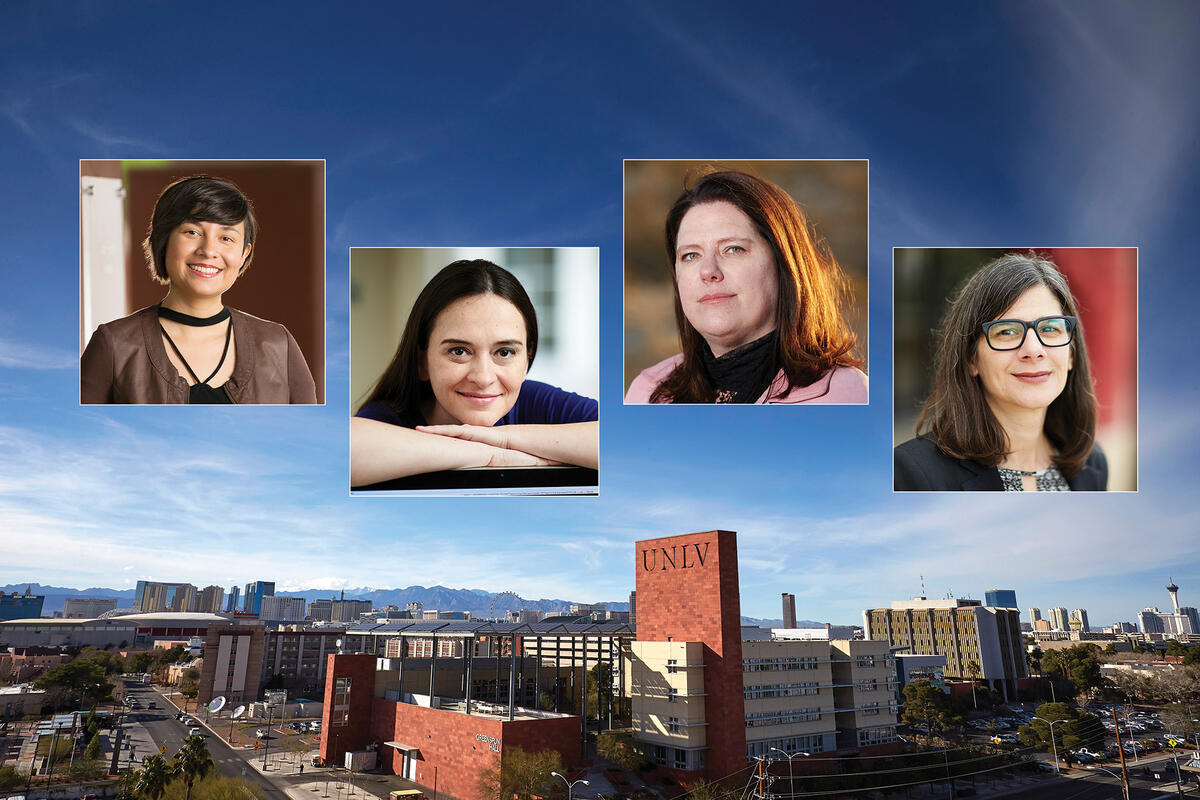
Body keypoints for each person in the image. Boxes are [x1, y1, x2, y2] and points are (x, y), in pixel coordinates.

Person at [625, 169, 866, 404]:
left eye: (733, 249)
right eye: (690, 255)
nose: (708, 271)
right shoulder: (646, 392)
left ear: (784, 263)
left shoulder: (845, 395)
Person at [351, 259, 598, 486]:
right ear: (422, 361)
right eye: (459, 351)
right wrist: (490, 454)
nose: (483, 378)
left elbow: (628, 438)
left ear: (526, 359)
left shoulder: (536, 402)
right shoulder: (391, 419)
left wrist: (506, 439)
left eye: (504, 352)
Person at [80, 175, 317, 404]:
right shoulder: (113, 345)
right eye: (192, 232)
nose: (208, 250)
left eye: (226, 238)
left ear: (244, 253)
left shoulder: (279, 345)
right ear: (163, 241)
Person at [894, 253, 1107, 491]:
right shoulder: (911, 473)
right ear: (971, 358)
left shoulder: (1093, 464)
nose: (1033, 350)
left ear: (1071, 354)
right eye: (1006, 332)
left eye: (1049, 328)